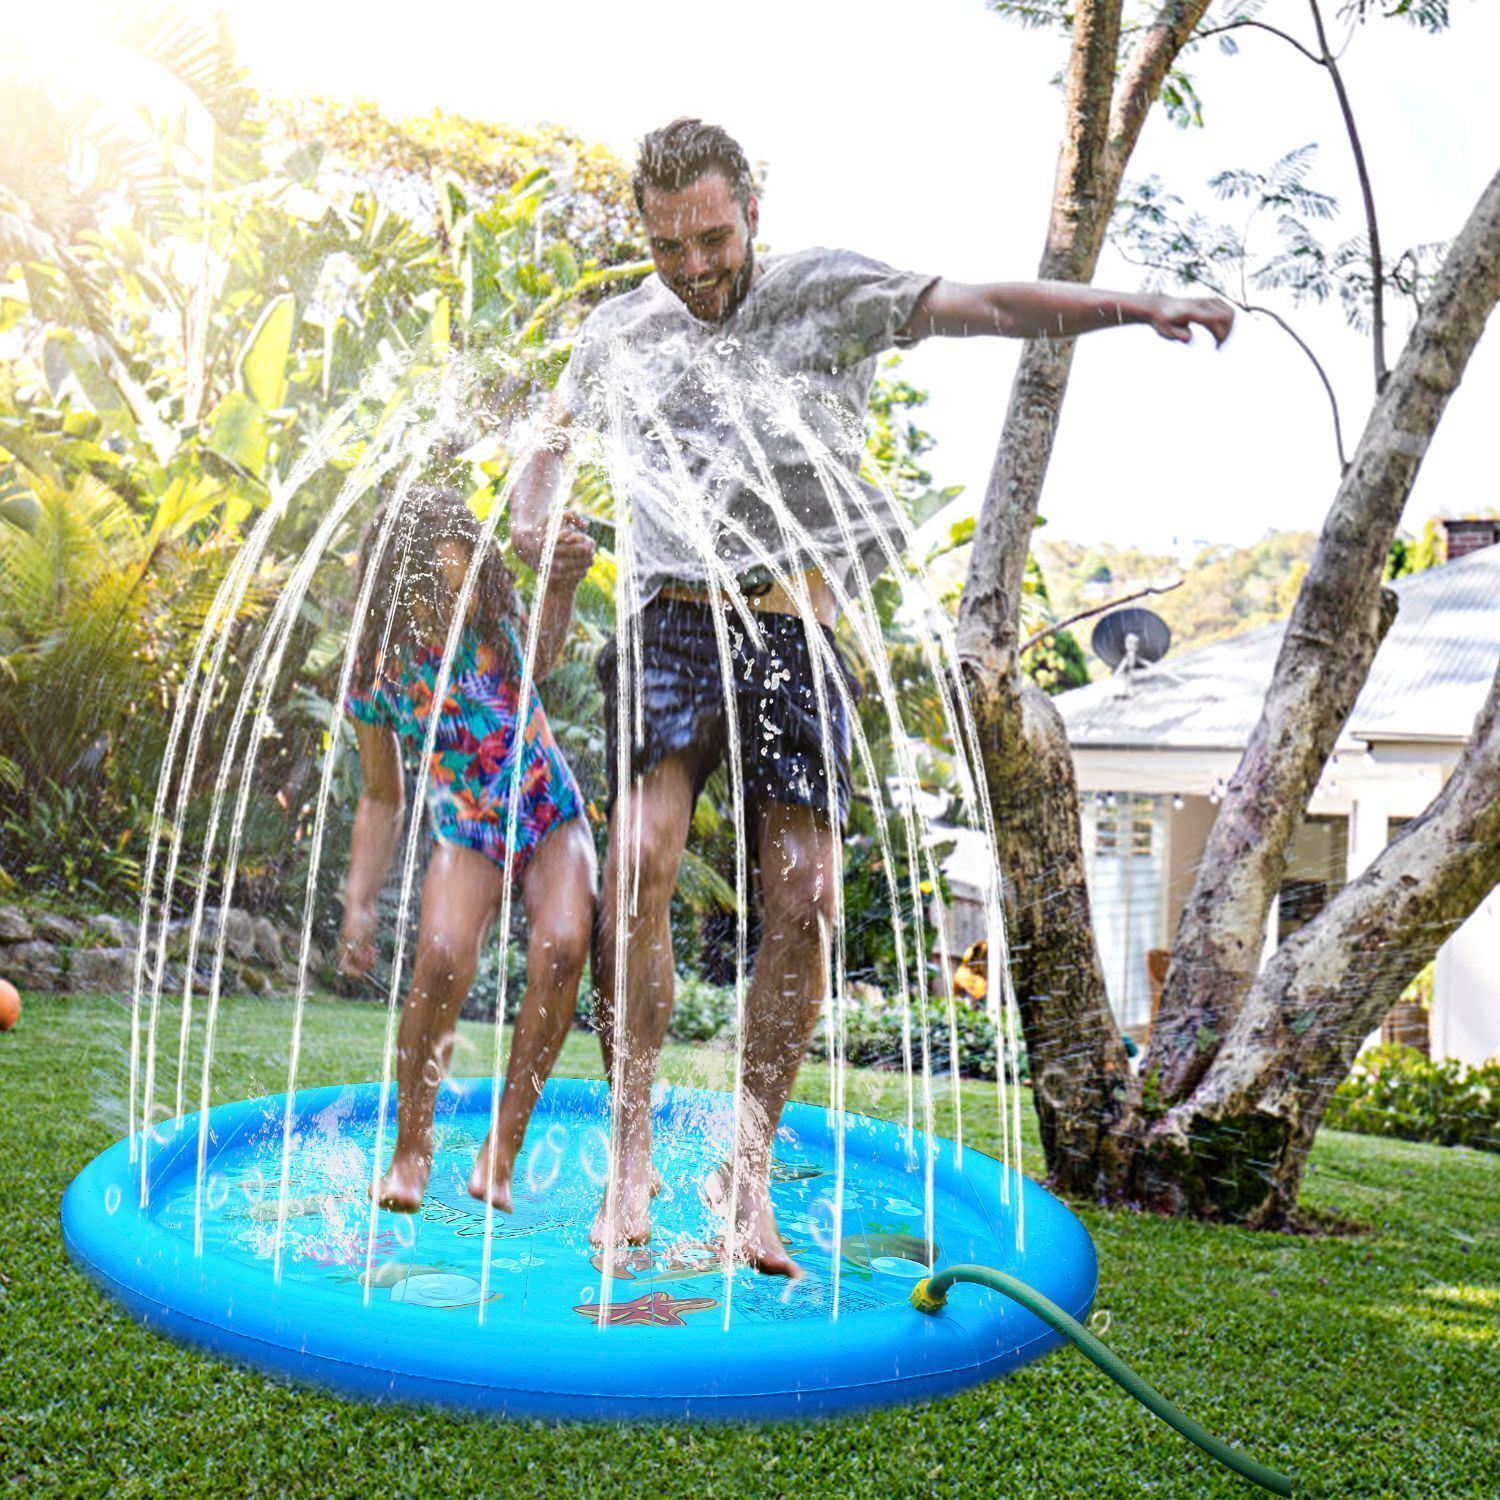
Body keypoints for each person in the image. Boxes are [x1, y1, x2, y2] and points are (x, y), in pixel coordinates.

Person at [512, 118, 1234, 1276]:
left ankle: (744, 1173)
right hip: (671, 619)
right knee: (642, 856)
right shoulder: (622, 330)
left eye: (713, 237)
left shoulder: (823, 294)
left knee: (805, 895)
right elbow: (543, 437)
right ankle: (633, 1150)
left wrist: (1132, 305)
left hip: (792, 627)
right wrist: (535, 511)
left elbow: (986, 307)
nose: (694, 269)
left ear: (754, 208)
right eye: (667, 247)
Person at [338, 482, 598, 1213]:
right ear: (402, 576)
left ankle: (501, 1153)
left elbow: (541, 657)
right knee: (443, 955)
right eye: (441, 579)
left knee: (562, 944)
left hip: (549, 810)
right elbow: (382, 795)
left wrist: (562, 587)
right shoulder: (377, 671)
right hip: (468, 827)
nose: (456, 594)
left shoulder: (492, 615)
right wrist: (359, 901)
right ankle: (412, 1151)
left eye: (468, 568)